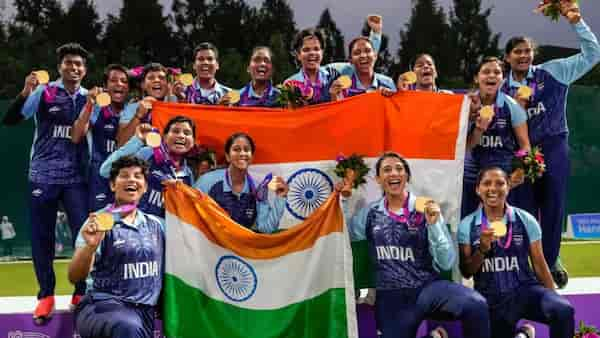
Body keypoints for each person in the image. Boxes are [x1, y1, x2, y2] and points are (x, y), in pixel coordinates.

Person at [500, 1, 600, 288]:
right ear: (507, 57)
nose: (523, 55)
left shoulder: (553, 71)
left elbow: (593, 54)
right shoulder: (500, 85)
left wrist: (576, 22)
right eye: (517, 51)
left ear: (533, 54)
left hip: (553, 143)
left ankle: (551, 260)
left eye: (527, 51)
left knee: (554, 204)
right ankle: (523, 263)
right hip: (519, 151)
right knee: (522, 207)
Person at [345, 152, 490, 338]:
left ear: (406, 176)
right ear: (378, 179)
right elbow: (342, 232)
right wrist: (343, 198)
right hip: (390, 296)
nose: (393, 173)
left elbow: (446, 262)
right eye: (387, 170)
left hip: (426, 289)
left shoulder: (426, 208)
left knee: (476, 304)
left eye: (399, 168)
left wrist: (434, 225)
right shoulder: (369, 214)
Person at [1, 42, 90, 321]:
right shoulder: (44, 91)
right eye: (68, 63)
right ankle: (46, 295)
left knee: (84, 238)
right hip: (43, 174)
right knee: (42, 240)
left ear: (85, 70)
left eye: (79, 64)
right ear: (60, 67)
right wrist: (25, 91)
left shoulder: (91, 97)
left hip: (77, 178)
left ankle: (81, 291)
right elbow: (12, 119)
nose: (74, 68)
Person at [458, 166, 574, 338]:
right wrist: (482, 250)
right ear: (477, 189)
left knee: (563, 310)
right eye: (486, 183)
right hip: (490, 298)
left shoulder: (525, 219)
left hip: (524, 291)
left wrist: (554, 299)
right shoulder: (467, 225)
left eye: (500, 183)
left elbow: (539, 264)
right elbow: (467, 271)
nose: (493, 189)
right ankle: (524, 334)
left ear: (508, 187)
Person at [69, 155, 164, 338]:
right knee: (127, 327)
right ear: (113, 185)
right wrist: (89, 247)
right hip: (102, 307)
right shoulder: (98, 223)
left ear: (145, 187)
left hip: (142, 313)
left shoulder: (157, 225)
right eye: (124, 175)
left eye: (138, 176)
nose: (131, 179)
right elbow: (75, 276)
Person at [462, 57, 531, 218]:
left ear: (503, 78)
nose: (491, 75)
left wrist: (520, 171)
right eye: (486, 72)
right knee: (466, 222)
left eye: (497, 72)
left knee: (503, 224)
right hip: (472, 174)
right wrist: (478, 129)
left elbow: (525, 146)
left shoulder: (512, 106)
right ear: (476, 77)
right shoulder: (465, 105)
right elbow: (465, 147)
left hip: (503, 175)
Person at [100, 116, 196, 219]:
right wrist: (137, 140)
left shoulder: (188, 176)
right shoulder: (148, 154)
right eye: (176, 131)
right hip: (129, 227)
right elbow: (106, 170)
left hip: (160, 232)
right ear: (164, 137)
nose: (181, 136)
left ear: (193, 141)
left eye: (187, 133)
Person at [194, 132, 288, 233]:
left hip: (240, 247)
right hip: (210, 245)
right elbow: (190, 216)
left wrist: (281, 198)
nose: (242, 153)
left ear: (251, 157)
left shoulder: (257, 188)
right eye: (236, 149)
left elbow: (266, 228)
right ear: (227, 156)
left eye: (246, 150)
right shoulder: (207, 181)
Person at [286, 15, 383, 105]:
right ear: (298, 55)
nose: (312, 53)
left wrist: (376, 33)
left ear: (322, 52)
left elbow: (362, 62)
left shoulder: (335, 72)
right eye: (306, 50)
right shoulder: (291, 83)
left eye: (316, 49)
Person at [72, 64, 131, 211]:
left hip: (128, 178)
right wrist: (89, 104)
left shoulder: (134, 110)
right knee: (101, 225)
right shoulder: (97, 108)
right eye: (114, 80)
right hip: (100, 178)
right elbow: (75, 136)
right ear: (105, 85)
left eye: (124, 81)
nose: (119, 84)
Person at [117, 63, 177, 146]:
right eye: (151, 78)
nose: (157, 80)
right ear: (143, 85)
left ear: (167, 84)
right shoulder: (132, 108)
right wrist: (138, 116)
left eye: (161, 78)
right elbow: (121, 144)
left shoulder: (176, 104)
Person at [329, 36, 396, 100]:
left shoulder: (388, 83)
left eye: (367, 51)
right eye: (357, 53)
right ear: (350, 60)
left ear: (375, 56)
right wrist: (334, 98)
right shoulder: (342, 88)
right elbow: (339, 111)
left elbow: (397, 109)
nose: (363, 56)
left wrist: (390, 98)